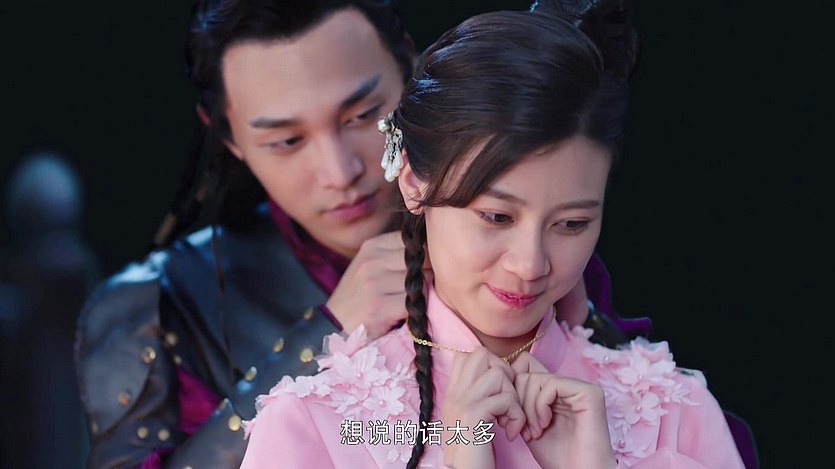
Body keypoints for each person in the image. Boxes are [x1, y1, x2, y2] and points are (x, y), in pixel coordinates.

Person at [73, 1, 649, 468]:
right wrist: (321, 335)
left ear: (411, 70)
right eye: (287, 141)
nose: (341, 171)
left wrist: (578, 333)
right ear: (228, 138)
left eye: (361, 115)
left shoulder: (526, 236)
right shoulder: (154, 307)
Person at [239, 1, 747, 468]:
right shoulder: (324, 423)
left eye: (571, 224)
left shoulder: (671, 411)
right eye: (496, 217)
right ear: (413, 182)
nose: (530, 265)